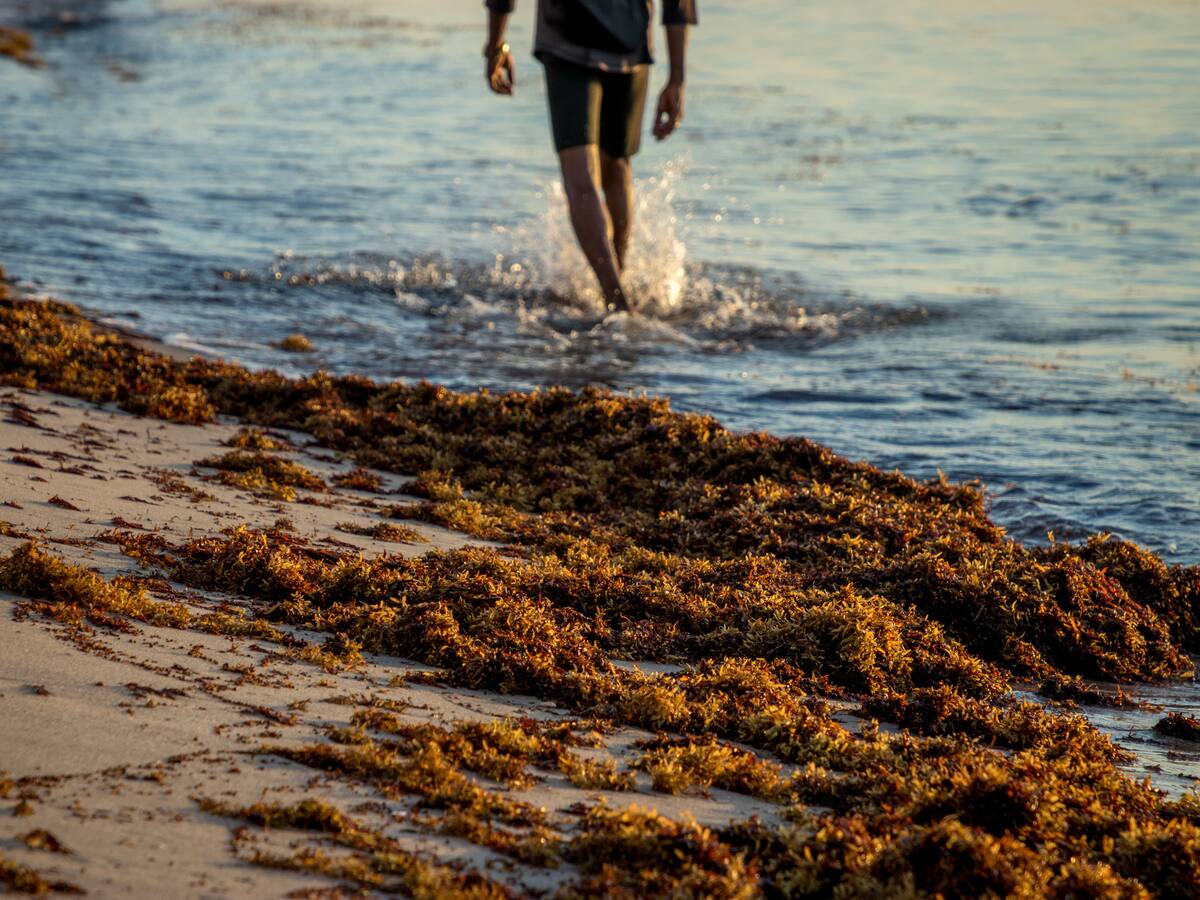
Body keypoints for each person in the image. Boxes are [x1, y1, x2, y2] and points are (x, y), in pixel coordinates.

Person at [483, 0, 697, 313]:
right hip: (629, 44)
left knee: (580, 176)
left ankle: (615, 298)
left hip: (567, 41)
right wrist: (677, 77)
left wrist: (495, 45)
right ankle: (618, 286)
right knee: (616, 167)